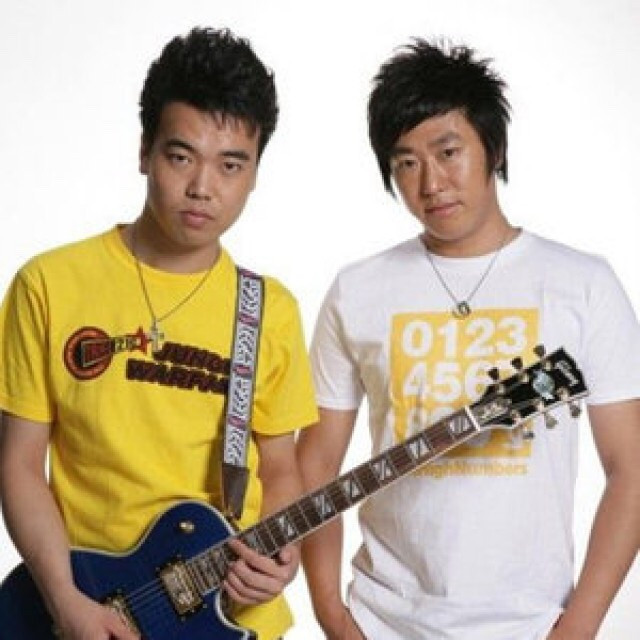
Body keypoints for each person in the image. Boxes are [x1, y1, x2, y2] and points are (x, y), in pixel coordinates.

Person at [298, 40, 640, 640]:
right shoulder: (357, 289)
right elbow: (316, 466)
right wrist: (332, 614)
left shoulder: (582, 284)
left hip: (531, 624)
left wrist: (578, 627)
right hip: (381, 619)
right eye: (406, 162)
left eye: (448, 152)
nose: (431, 182)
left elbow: (631, 469)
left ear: (494, 149)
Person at [0, 27, 317, 640]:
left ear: (255, 173)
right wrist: (64, 600)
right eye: (182, 156)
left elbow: (280, 467)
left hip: (230, 617)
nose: (204, 188)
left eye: (231, 165)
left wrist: (282, 559)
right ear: (145, 151)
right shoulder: (49, 283)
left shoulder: (268, 309)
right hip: (92, 604)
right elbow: (18, 463)